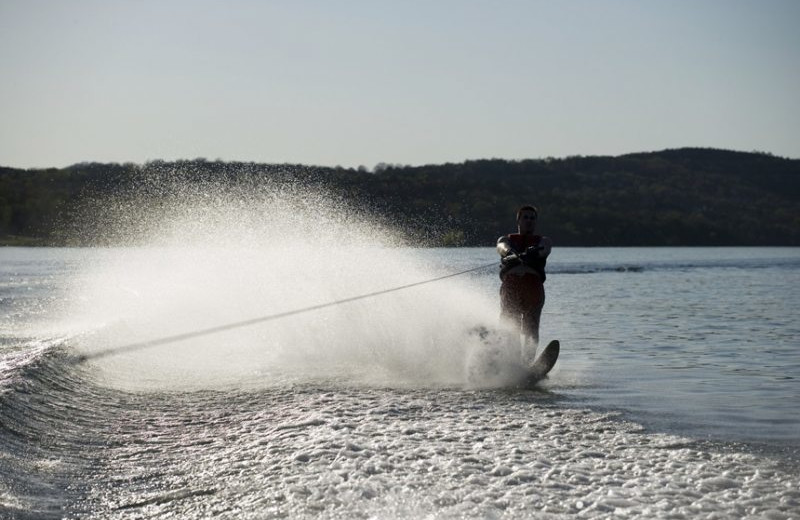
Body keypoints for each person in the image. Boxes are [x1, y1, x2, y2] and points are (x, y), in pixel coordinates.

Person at [496, 205, 552, 363]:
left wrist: (536, 251)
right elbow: (501, 247)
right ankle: (511, 362)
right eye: (525, 217)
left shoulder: (543, 241)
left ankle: (527, 364)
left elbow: (545, 250)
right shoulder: (505, 240)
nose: (529, 221)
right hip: (511, 287)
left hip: (532, 289)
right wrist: (509, 252)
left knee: (531, 328)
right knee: (510, 326)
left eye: (532, 218)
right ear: (518, 220)